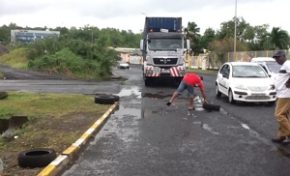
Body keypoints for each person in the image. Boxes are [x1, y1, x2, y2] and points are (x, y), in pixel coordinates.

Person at [271, 50, 290, 144]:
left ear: (283, 56)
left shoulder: (287, 63)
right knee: (285, 115)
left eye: (278, 57)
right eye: (275, 58)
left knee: (279, 115)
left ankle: (288, 133)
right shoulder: (284, 66)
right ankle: (282, 136)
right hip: (281, 94)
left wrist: (289, 82)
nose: (276, 60)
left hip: (285, 95)